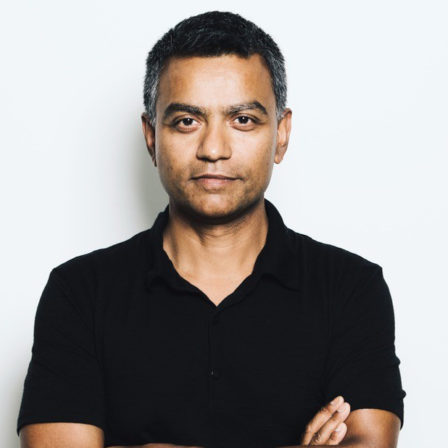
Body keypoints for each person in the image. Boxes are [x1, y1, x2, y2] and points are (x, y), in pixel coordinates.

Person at [17, 10, 406, 448]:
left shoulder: (350, 286)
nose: (214, 149)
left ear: (281, 134)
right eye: (187, 121)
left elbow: (369, 442)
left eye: (243, 120)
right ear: (151, 136)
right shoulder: (80, 292)